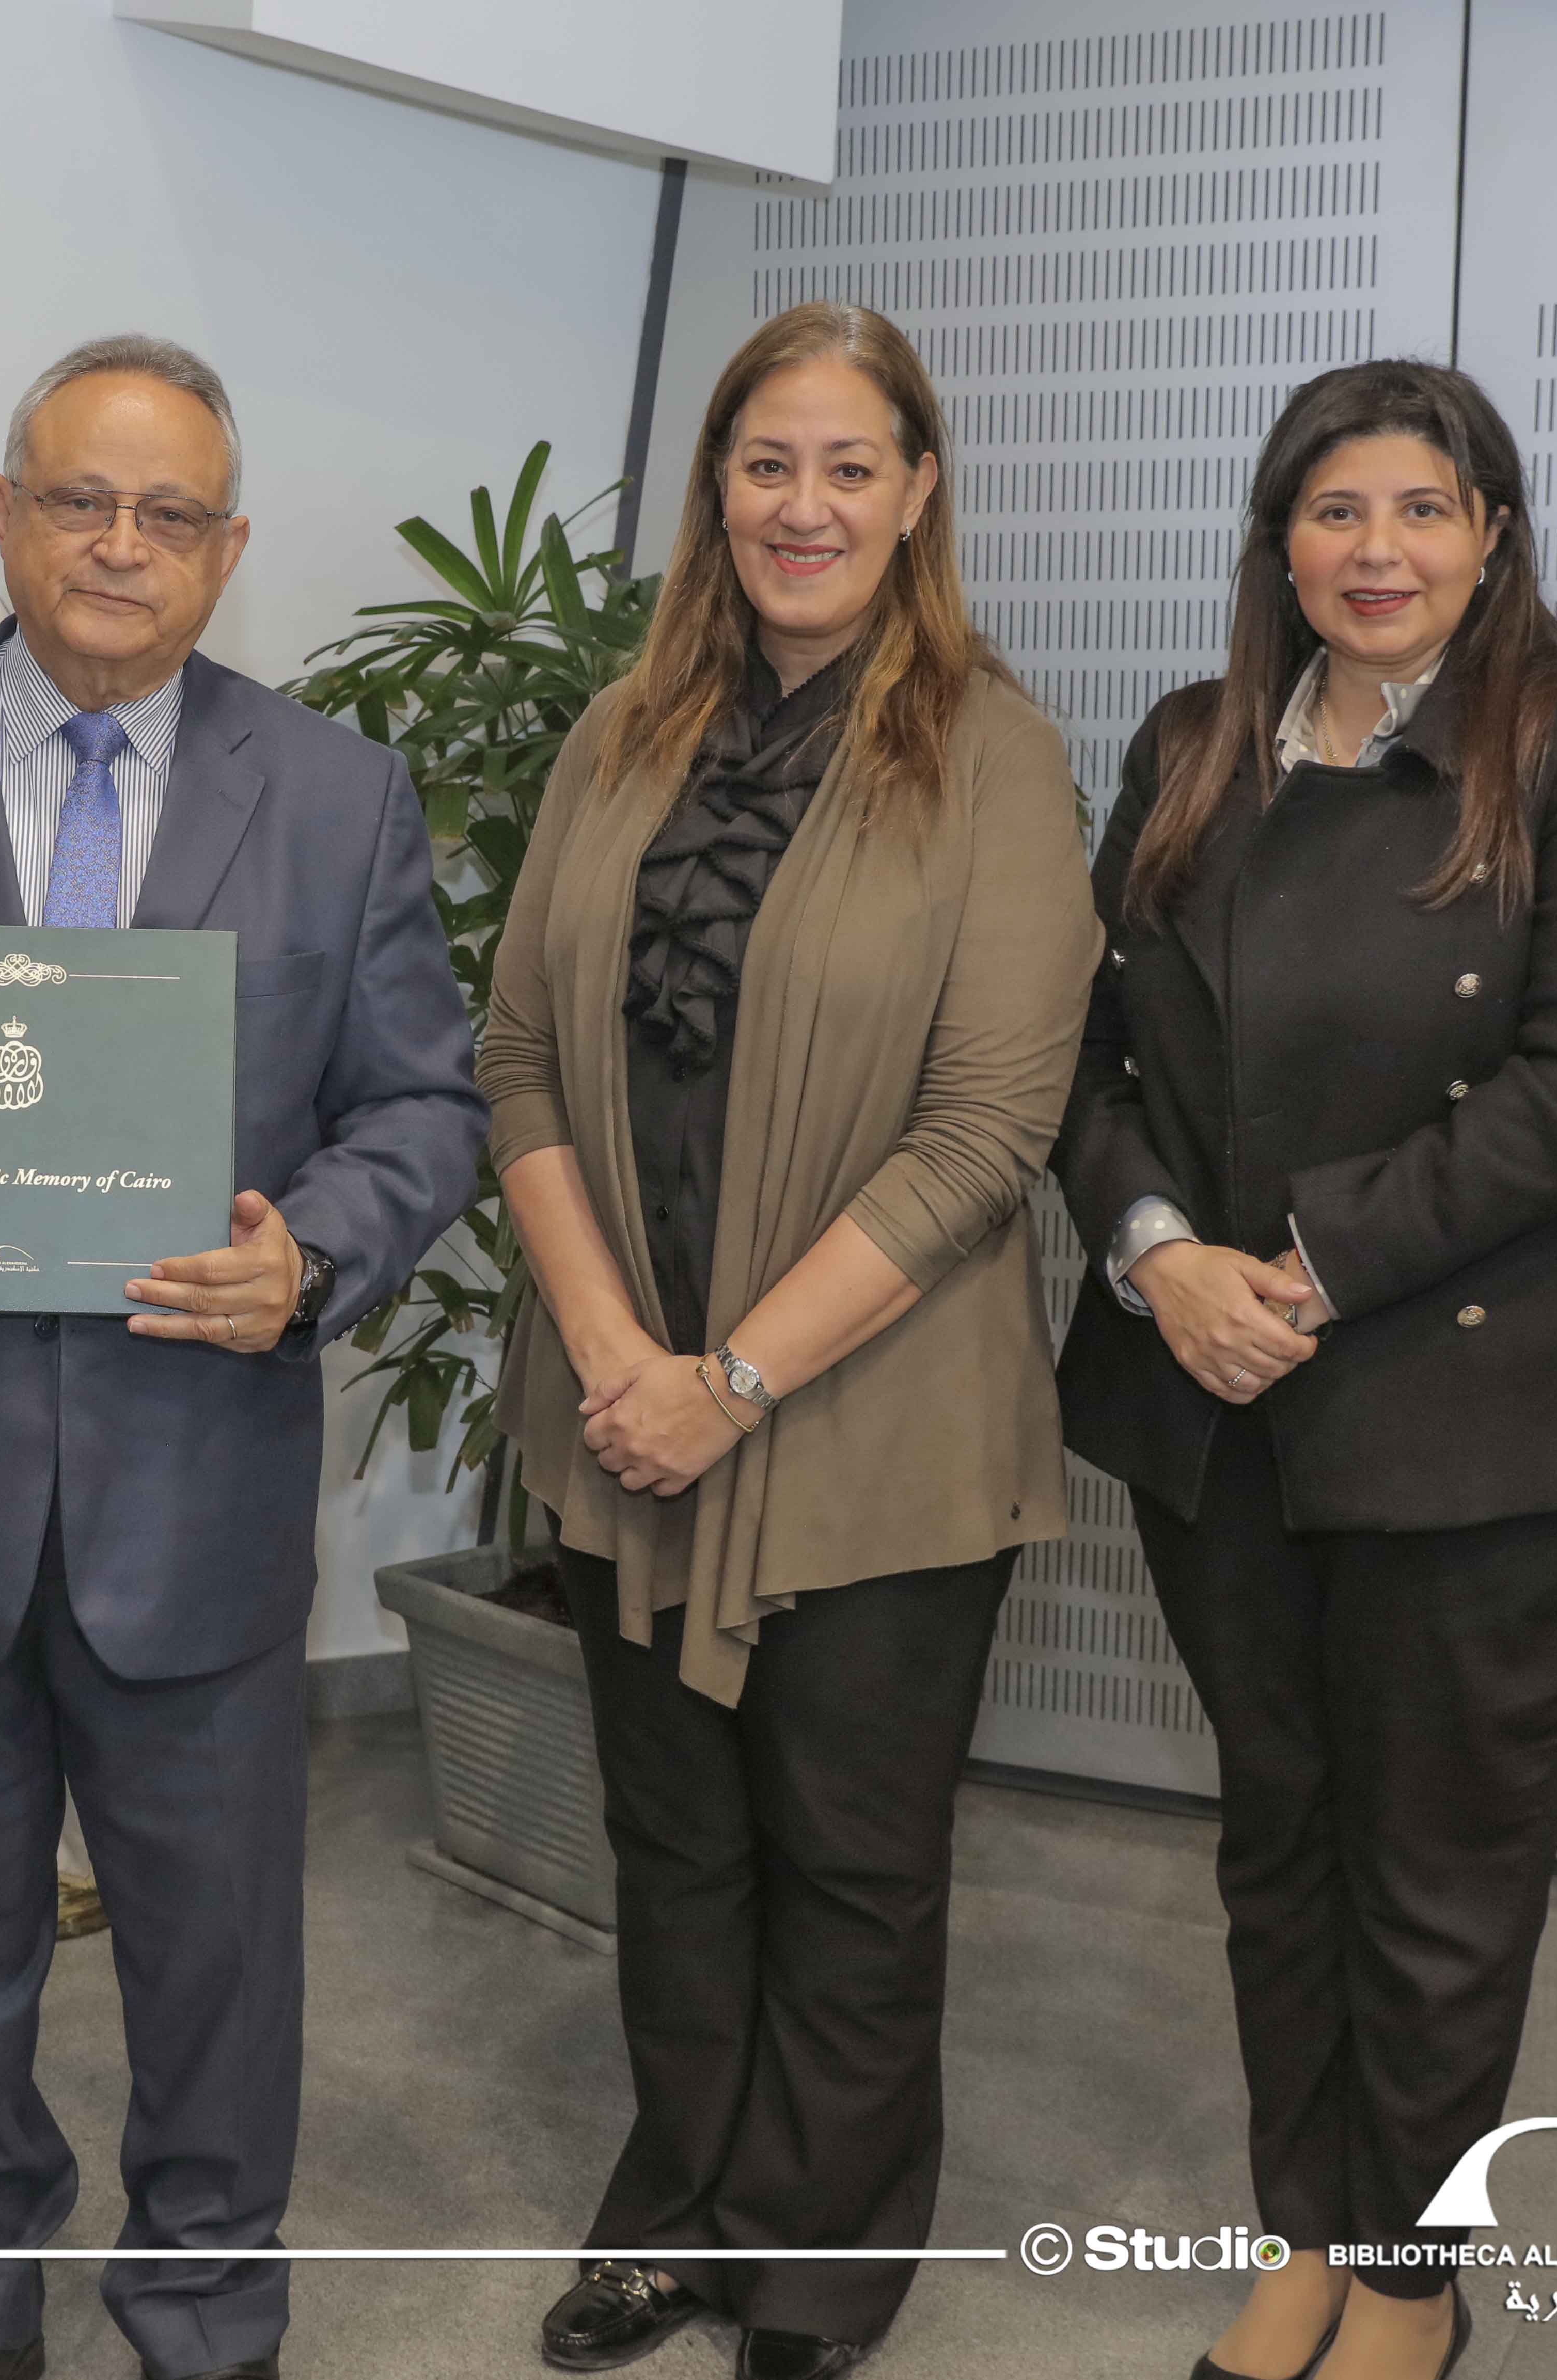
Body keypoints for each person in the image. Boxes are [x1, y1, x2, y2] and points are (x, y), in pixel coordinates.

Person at [0, 332, 484, 2380]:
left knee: (215, 1961)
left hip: (196, 1477)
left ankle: (206, 2308)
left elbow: (421, 1102)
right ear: (3, 514)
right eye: (78, 500)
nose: (119, 545)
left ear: (226, 549)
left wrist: (310, 1251)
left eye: (168, 514)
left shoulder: (337, 797)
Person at [1053, 360, 1557, 2380]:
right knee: (1276, 1848)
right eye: (1335, 510)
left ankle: (1410, 2283)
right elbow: (1090, 1054)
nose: (1377, 550)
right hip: (1210, 1392)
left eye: (1422, 507)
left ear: (1490, 533)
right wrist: (1160, 1258)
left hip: (1473, 1412)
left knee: (1436, 1886)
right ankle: (1306, 2234)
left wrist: (1305, 1267)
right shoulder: (1190, 745)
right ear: (1279, 540)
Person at [478, 302, 1098, 2380]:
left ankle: (817, 2263)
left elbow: (987, 1130)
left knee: (850, 1865)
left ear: (917, 492)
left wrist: (730, 1378)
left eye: (848, 466)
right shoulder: (618, 731)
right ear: (715, 490)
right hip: (620, 1411)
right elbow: (515, 1055)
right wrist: (613, 1357)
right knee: (674, 1850)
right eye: (766, 463)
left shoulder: (993, 753)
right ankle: (676, 2212)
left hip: (868, 1424)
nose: (802, 506)